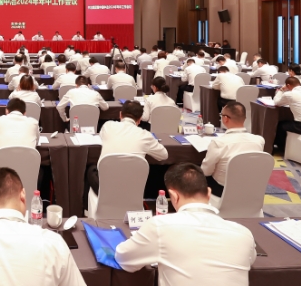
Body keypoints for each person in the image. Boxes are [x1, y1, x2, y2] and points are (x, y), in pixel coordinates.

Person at [115, 163, 256, 286]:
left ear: (173, 196)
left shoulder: (160, 226)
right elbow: (250, 259)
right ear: (208, 193)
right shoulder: (244, 234)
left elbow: (124, 258)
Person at [86, 101, 167, 194]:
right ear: (139, 119)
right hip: (132, 189)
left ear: (120, 114)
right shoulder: (146, 135)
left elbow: (102, 138)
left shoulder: (108, 126)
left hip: (105, 188)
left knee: (91, 169)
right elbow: (164, 155)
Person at [201, 102, 266, 197]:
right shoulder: (259, 140)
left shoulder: (218, 143)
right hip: (251, 188)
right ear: (244, 119)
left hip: (222, 191)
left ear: (225, 118)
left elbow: (206, 171)